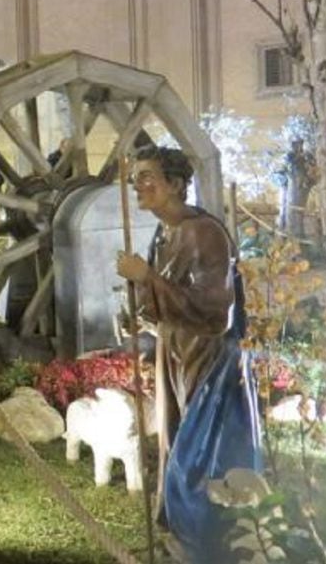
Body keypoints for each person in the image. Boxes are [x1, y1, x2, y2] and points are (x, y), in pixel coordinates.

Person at [115, 145, 260, 562]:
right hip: (179, 354)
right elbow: (169, 299)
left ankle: (205, 540)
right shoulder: (166, 232)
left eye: (147, 177)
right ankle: (184, 533)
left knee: (201, 452)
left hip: (211, 364)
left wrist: (147, 278)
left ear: (176, 184)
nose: (137, 185)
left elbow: (215, 312)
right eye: (135, 177)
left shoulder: (203, 233)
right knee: (178, 441)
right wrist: (144, 308)